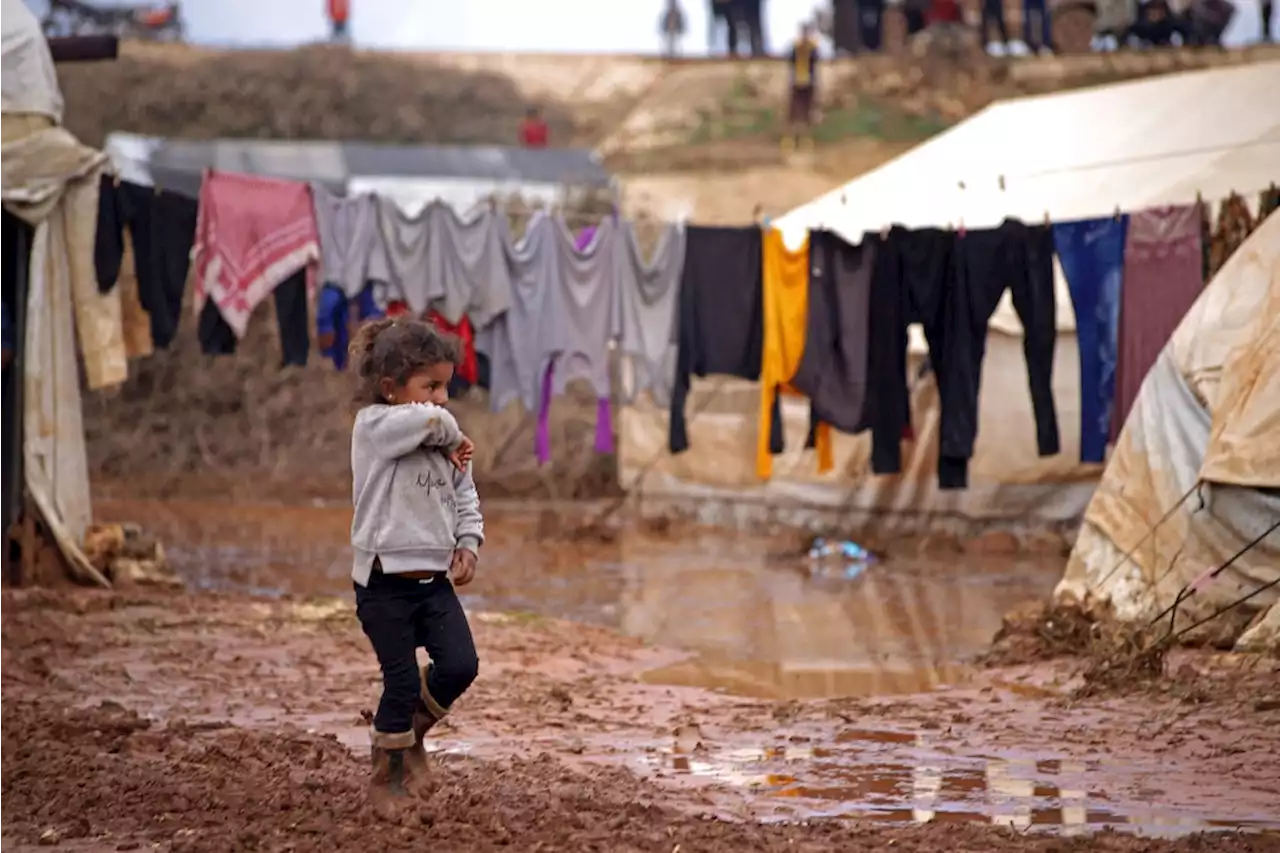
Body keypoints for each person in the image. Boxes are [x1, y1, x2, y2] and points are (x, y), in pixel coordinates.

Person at [348, 317, 484, 800]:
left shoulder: (442, 437)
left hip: (432, 584)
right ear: (389, 388)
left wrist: (468, 542)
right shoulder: (375, 428)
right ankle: (388, 780)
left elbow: (465, 495)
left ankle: (410, 736)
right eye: (431, 385)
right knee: (401, 681)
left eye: (447, 386)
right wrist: (449, 432)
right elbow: (429, 421)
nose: (443, 398)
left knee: (461, 665)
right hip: (383, 585)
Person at [784, 23, 819, 152]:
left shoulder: (813, 48)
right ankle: (790, 139)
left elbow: (815, 66)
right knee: (793, 113)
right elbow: (790, 63)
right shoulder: (795, 47)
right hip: (796, 81)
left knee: (808, 112)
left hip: (808, 82)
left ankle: (806, 139)